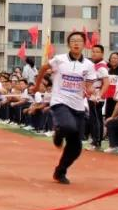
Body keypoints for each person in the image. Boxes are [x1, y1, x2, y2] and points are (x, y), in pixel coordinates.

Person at [33, 32, 108, 184]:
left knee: (76, 147)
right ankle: (59, 132)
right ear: (68, 44)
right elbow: (42, 68)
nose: (76, 43)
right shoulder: (59, 60)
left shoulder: (88, 65)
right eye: (73, 41)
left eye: (79, 41)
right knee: (68, 126)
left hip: (78, 106)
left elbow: (88, 86)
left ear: (84, 45)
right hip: (60, 101)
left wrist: (93, 92)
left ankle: (60, 171)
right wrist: (36, 86)